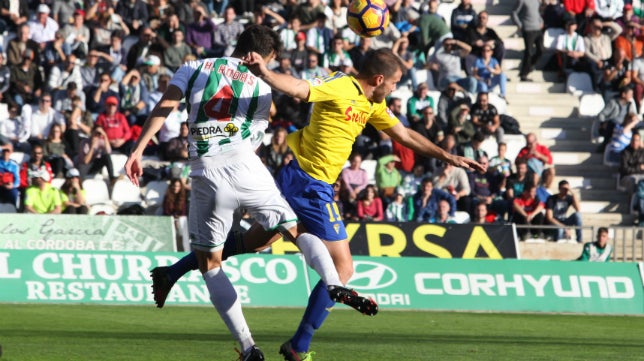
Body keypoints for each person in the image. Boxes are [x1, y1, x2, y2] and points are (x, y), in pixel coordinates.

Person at [124, 25, 374, 361]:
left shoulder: (193, 68)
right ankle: (332, 281)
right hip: (246, 166)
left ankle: (248, 348)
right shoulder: (262, 85)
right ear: (262, 56)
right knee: (293, 229)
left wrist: (138, 150)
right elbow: (254, 139)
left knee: (210, 263)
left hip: (206, 174)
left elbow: (165, 107)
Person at [512, 0, 544, 82]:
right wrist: (520, 25)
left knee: (541, 50)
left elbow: (537, 13)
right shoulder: (522, 1)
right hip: (528, 29)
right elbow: (514, 13)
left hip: (537, 28)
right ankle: (524, 74)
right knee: (528, 52)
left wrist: (541, 21)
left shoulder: (537, 1)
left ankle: (529, 66)